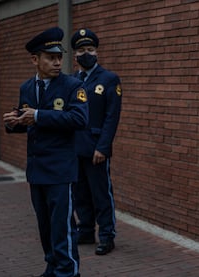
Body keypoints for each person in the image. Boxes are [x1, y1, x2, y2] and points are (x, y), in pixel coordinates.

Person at [3, 27, 88, 277]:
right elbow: (30, 121)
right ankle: (52, 267)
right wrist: (14, 122)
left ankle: (68, 272)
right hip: (37, 170)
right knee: (45, 227)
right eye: (50, 57)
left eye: (59, 57)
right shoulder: (27, 87)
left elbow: (79, 119)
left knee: (62, 227)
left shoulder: (73, 86)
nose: (57, 62)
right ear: (35, 59)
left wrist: (39, 115)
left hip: (61, 170)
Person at [70, 28, 122, 255]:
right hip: (75, 146)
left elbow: (112, 117)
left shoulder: (109, 79)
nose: (86, 54)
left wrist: (103, 146)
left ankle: (107, 235)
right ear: (75, 55)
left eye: (90, 49)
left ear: (97, 53)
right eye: (81, 50)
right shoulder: (71, 80)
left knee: (101, 193)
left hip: (96, 147)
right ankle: (86, 230)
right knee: (79, 191)